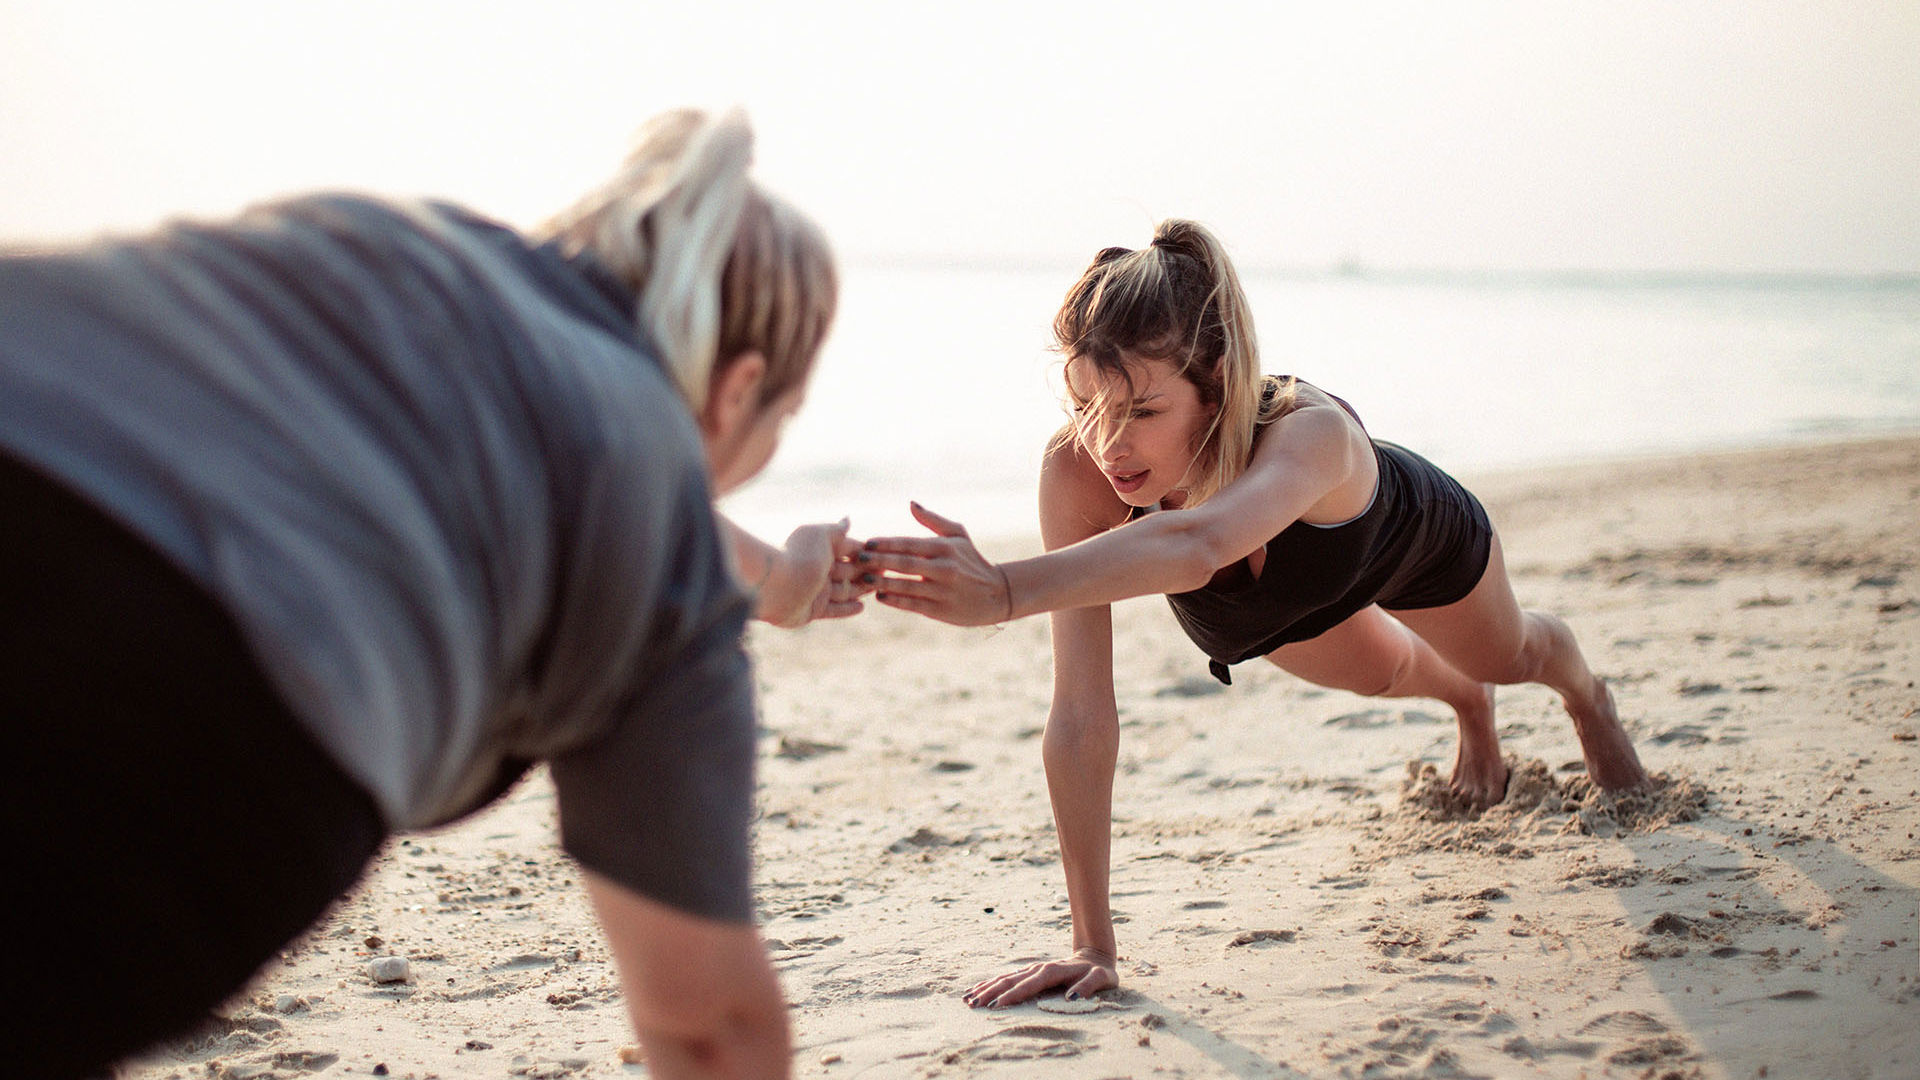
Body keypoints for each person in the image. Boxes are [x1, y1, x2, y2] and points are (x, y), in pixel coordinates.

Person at [0, 108, 868, 1079]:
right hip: (204, 707)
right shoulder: (643, 483)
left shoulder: (384, 243)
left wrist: (779, 583)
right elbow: (711, 1029)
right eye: (784, 413)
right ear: (740, 388)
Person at [855, 219, 1652, 1009]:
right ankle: (1467, 708)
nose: (1108, 446)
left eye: (1141, 411)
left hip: (1411, 542)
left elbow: (1199, 541)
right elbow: (1081, 712)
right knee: (1394, 673)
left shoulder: (1313, 433)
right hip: (1272, 606)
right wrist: (1093, 946)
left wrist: (1001, 591)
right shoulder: (1075, 476)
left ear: (1222, 380)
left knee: (1508, 656)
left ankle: (1590, 700)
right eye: (1085, 406)